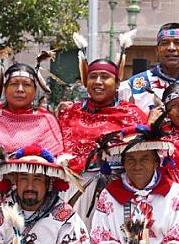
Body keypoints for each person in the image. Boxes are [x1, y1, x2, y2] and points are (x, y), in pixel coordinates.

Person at [59, 57, 147, 225]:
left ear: (117, 83)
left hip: (117, 191)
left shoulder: (132, 114)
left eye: (105, 77)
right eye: (93, 77)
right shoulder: (70, 112)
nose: (98, 82)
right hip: (73, 189)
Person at [0, 63, 63, 206]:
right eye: (14, 84)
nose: (20, 89)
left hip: (34, 198)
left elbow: (55, 161)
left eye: (26, 85)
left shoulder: (46, 120)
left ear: (35, 91)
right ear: (4, 88)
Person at [121, 23, 179, 114]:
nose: (171, 48)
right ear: (157, 50)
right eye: (165, 43)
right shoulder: (133, 86)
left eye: (178, 43)